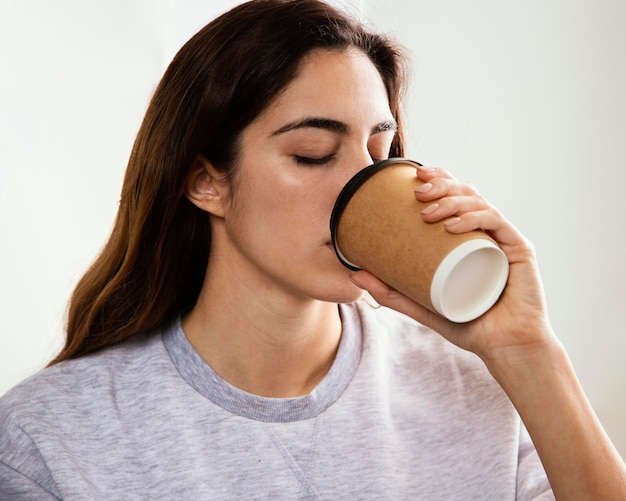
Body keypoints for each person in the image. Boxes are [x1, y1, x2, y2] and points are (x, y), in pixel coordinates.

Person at [1, 0, 624, 499]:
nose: (363, 183)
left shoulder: (479, 389)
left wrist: (527, 352)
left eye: (382, 152)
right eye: (314, 155)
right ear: (206, 181)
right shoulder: (51, 439)